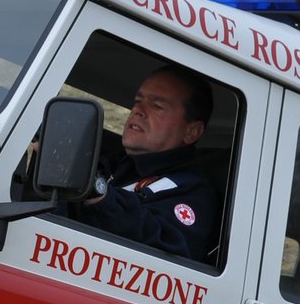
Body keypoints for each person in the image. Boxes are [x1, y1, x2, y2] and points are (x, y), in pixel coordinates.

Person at [75, 65, 219, 261]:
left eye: (157, 106)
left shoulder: (195, 191)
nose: (137, 110)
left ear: (191, 132)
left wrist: (98, 193)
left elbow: (167, 246)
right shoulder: (113, 164)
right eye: (137, 101)